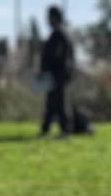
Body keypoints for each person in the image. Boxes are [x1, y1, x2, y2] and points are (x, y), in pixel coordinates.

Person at [39, 6, 74, 138]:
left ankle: (65, 129)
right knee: (51, 102)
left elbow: (56, 55)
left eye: (49, 17)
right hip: (56, 73)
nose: (47, 20)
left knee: (59, 102)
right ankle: (46, 129)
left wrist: (47, 67)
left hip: (57, 74)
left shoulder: (59, 34)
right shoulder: (60, 33)